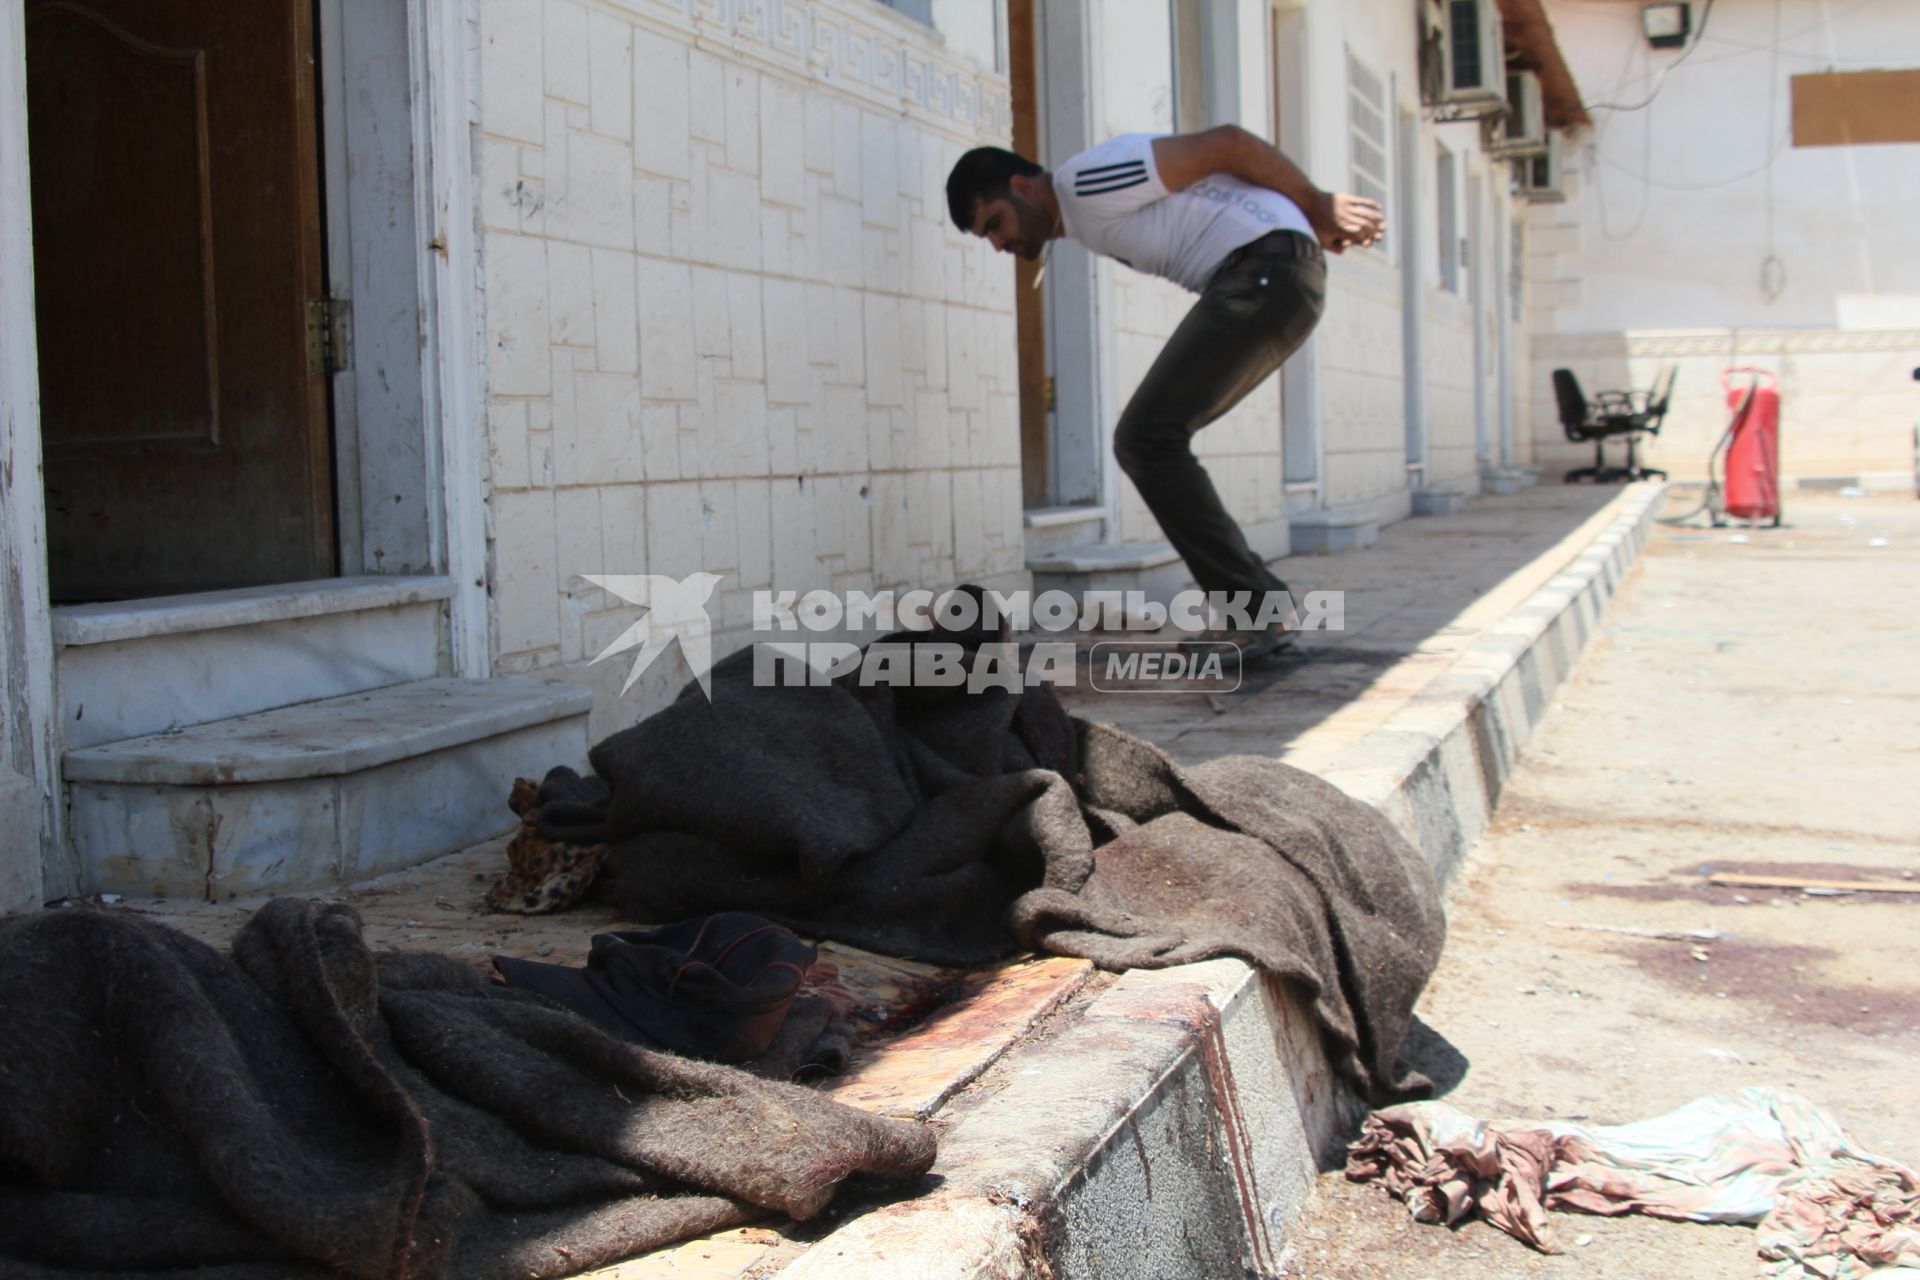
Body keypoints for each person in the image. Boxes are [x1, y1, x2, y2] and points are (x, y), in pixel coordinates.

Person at [946, 126, 1384, 658]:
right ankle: (1260, 608)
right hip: (1275, 272)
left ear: (1024, 186)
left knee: (1148, 438)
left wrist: (1315, 206)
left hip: (1265, 272)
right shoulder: (1084, 219)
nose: (999, 244)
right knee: (1151, 438)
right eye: (986, 237)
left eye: (996, 223)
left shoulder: (1083, 184)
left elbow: (1228, 145)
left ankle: (1255, 612)